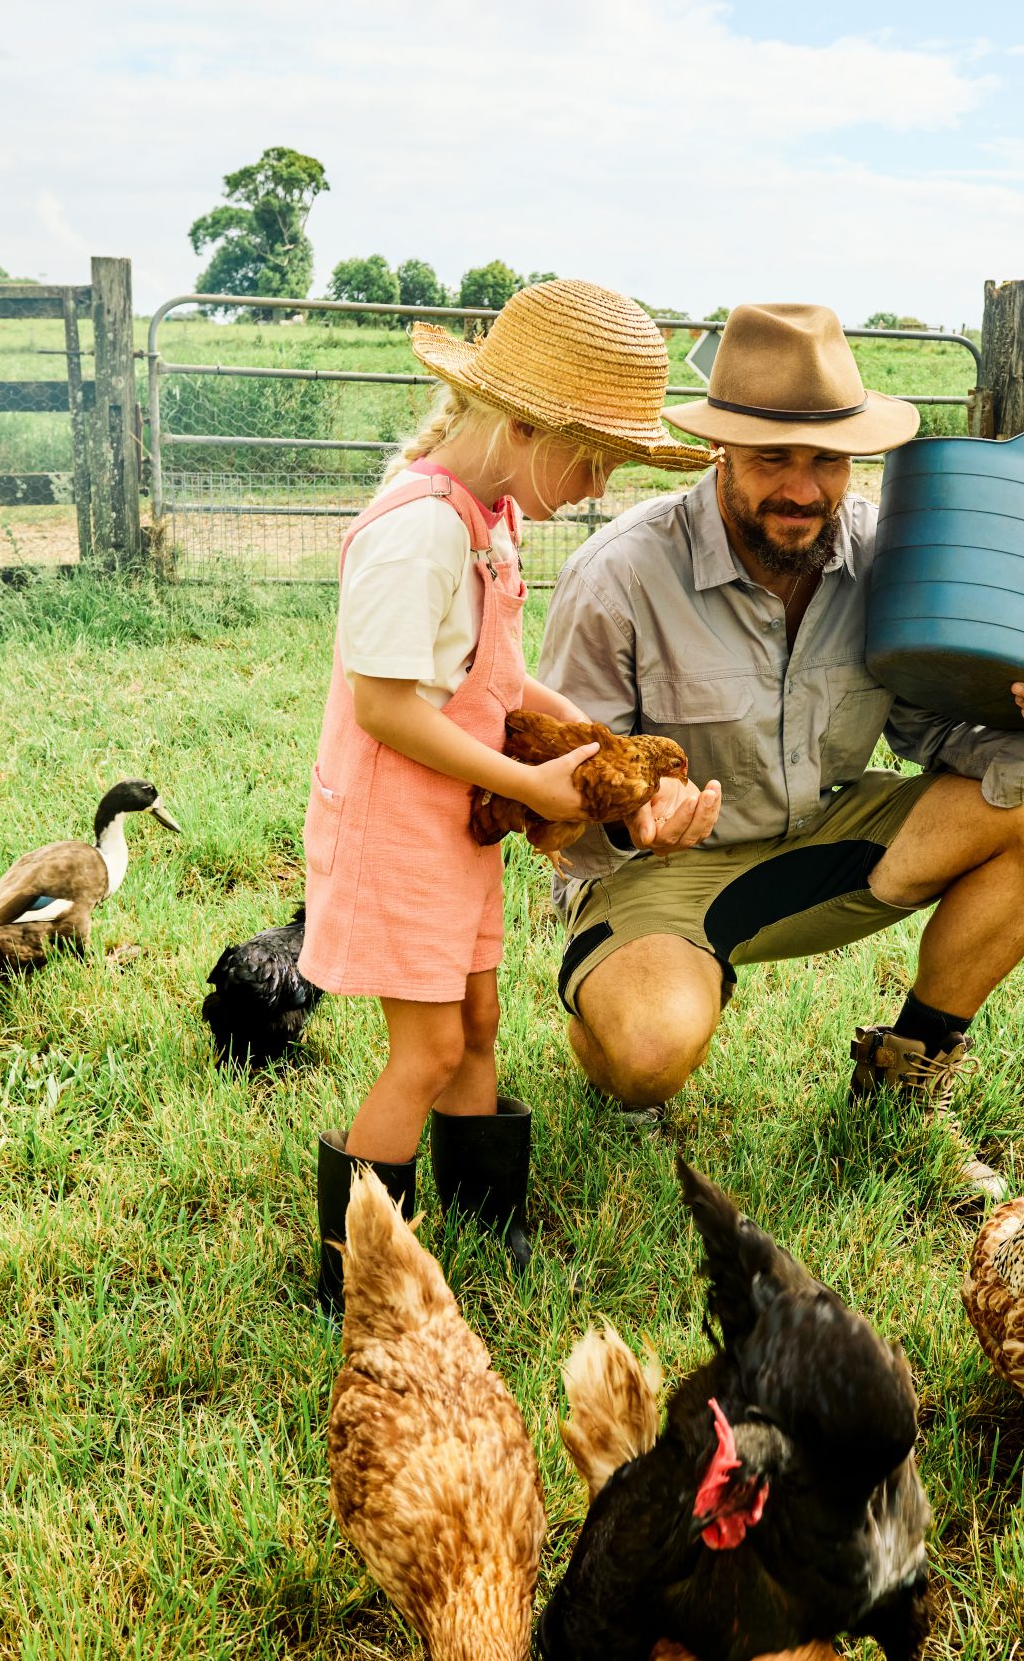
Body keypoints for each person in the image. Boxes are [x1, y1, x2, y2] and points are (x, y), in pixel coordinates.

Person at [539, 302, 1024, 1195]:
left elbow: (929, 731)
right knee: (647, 1056)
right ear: (718, 449)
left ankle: (907, 1076)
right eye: (773, 456)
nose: (804, 489)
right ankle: (609, 1017)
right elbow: (556, 805)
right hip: (660, 872)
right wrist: (633, 826)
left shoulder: (885, 556)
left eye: (828, 460)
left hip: (823, 840)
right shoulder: (618, 576)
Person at [300, 279, 712, 1314]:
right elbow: (389, 706)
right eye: (596, 454)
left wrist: (586, 737)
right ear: (524, 424)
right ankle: (356, 1271)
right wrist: (529, 780)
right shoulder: (417, 531)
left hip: (454, 821)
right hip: (401, 824)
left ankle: (485, 1221)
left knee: (477, 1019)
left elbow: (493, 674)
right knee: (428, 1046)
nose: (605, 479)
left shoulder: (490, 516)